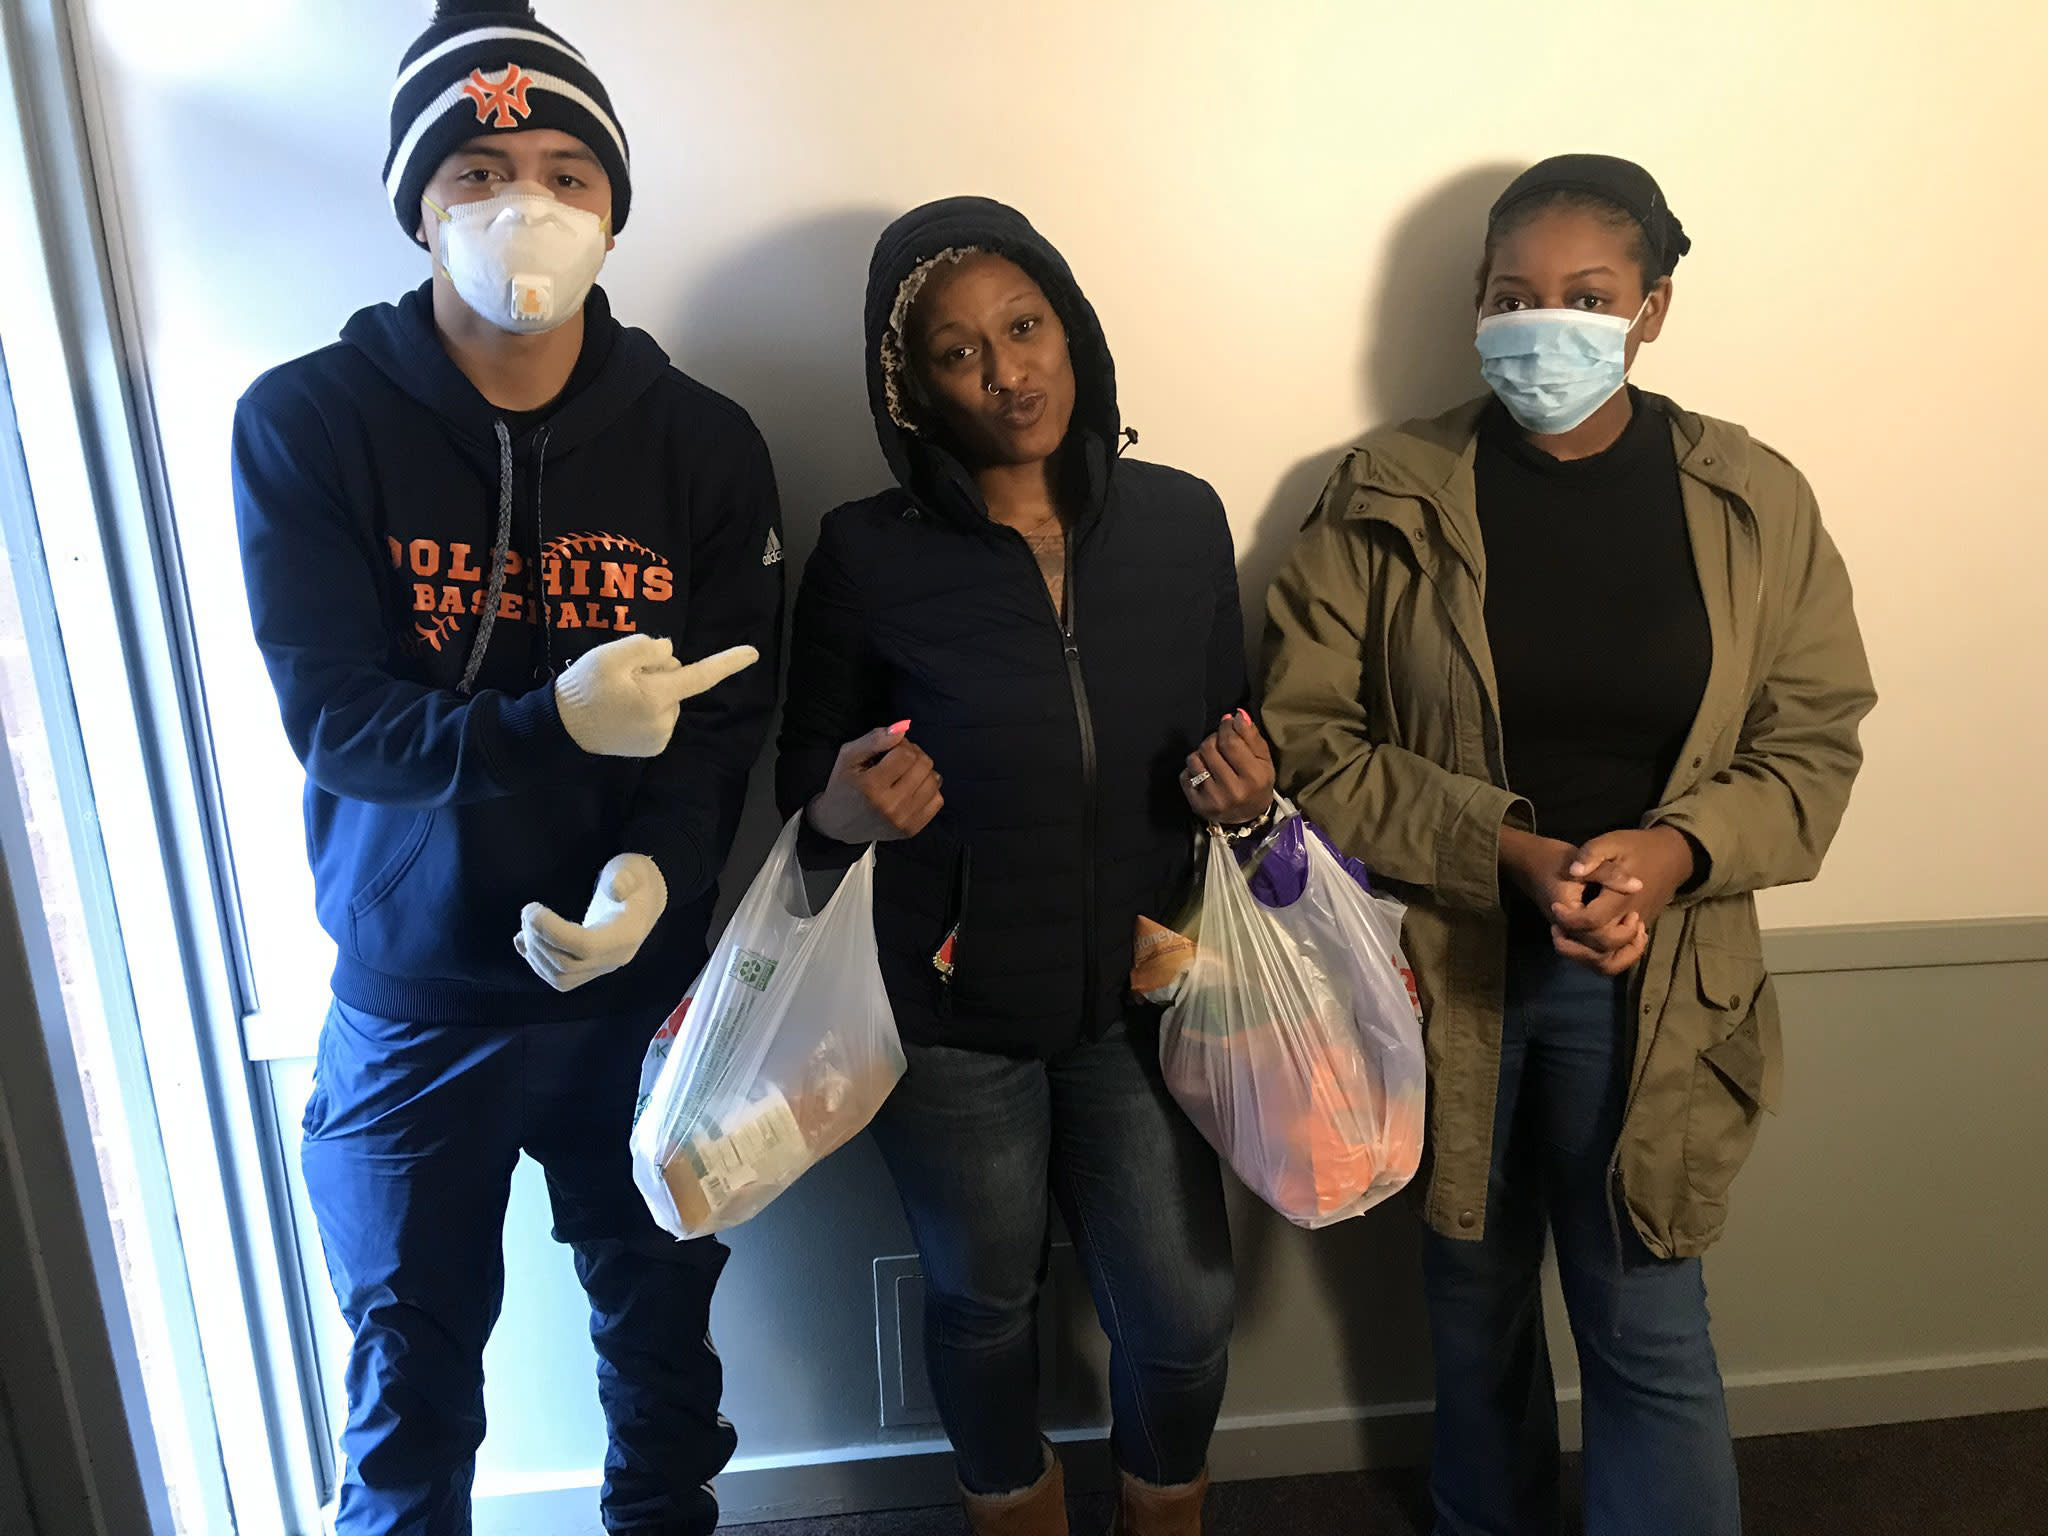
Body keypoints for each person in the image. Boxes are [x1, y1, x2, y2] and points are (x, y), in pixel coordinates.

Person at [1261, 154, 1876, 1536]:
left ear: (1652, 307)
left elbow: (1814, 746)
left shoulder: (1753, 499)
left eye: (1587, 296)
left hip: (1655, 984)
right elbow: (1311, 741)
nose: (1545, 326)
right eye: (1510, 297)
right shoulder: (1389, 488)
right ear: (1472, 309)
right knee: (1471, 1315)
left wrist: (1672, 853)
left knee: (1646, 1327)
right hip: (1447, 973)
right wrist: (1512, 856)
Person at [231, 3, 783, 1530]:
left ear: (612, 207)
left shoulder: (701, 445)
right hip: (417, 1005)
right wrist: (542, 724)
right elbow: (334, 717)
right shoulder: (308, 423)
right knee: (409, 1402)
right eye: (476, 171)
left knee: (667, 1362)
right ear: (418, 204)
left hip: (632, 997)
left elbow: (732, 706)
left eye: (563, 171)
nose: (522, 206)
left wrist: (657, 869)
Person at [778, 197, 1268, 1536]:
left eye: (1025, 324)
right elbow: (803, 798)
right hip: (947, 1019)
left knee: (1183, 1309)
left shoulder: (1179, 520)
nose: (1008, 371)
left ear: (1073, 330)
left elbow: (1236, 726)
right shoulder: (868, 553)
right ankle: (1015, 1511)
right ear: (913, 394)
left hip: (1141, 991)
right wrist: (842, 808)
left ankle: (1165, 1514)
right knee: (985, 1301)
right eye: (959, 352)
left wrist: (1252, 786)